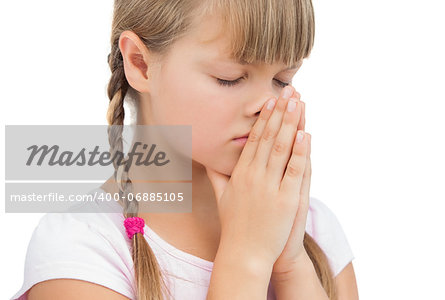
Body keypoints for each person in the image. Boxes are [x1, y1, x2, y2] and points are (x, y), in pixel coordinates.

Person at [12, 0, 358, 299]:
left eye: (283, 80)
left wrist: (291, 262)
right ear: (140, 63)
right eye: (230, 77)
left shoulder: (313, 227)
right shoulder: (80, 250)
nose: (268, 104)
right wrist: (246, 255)